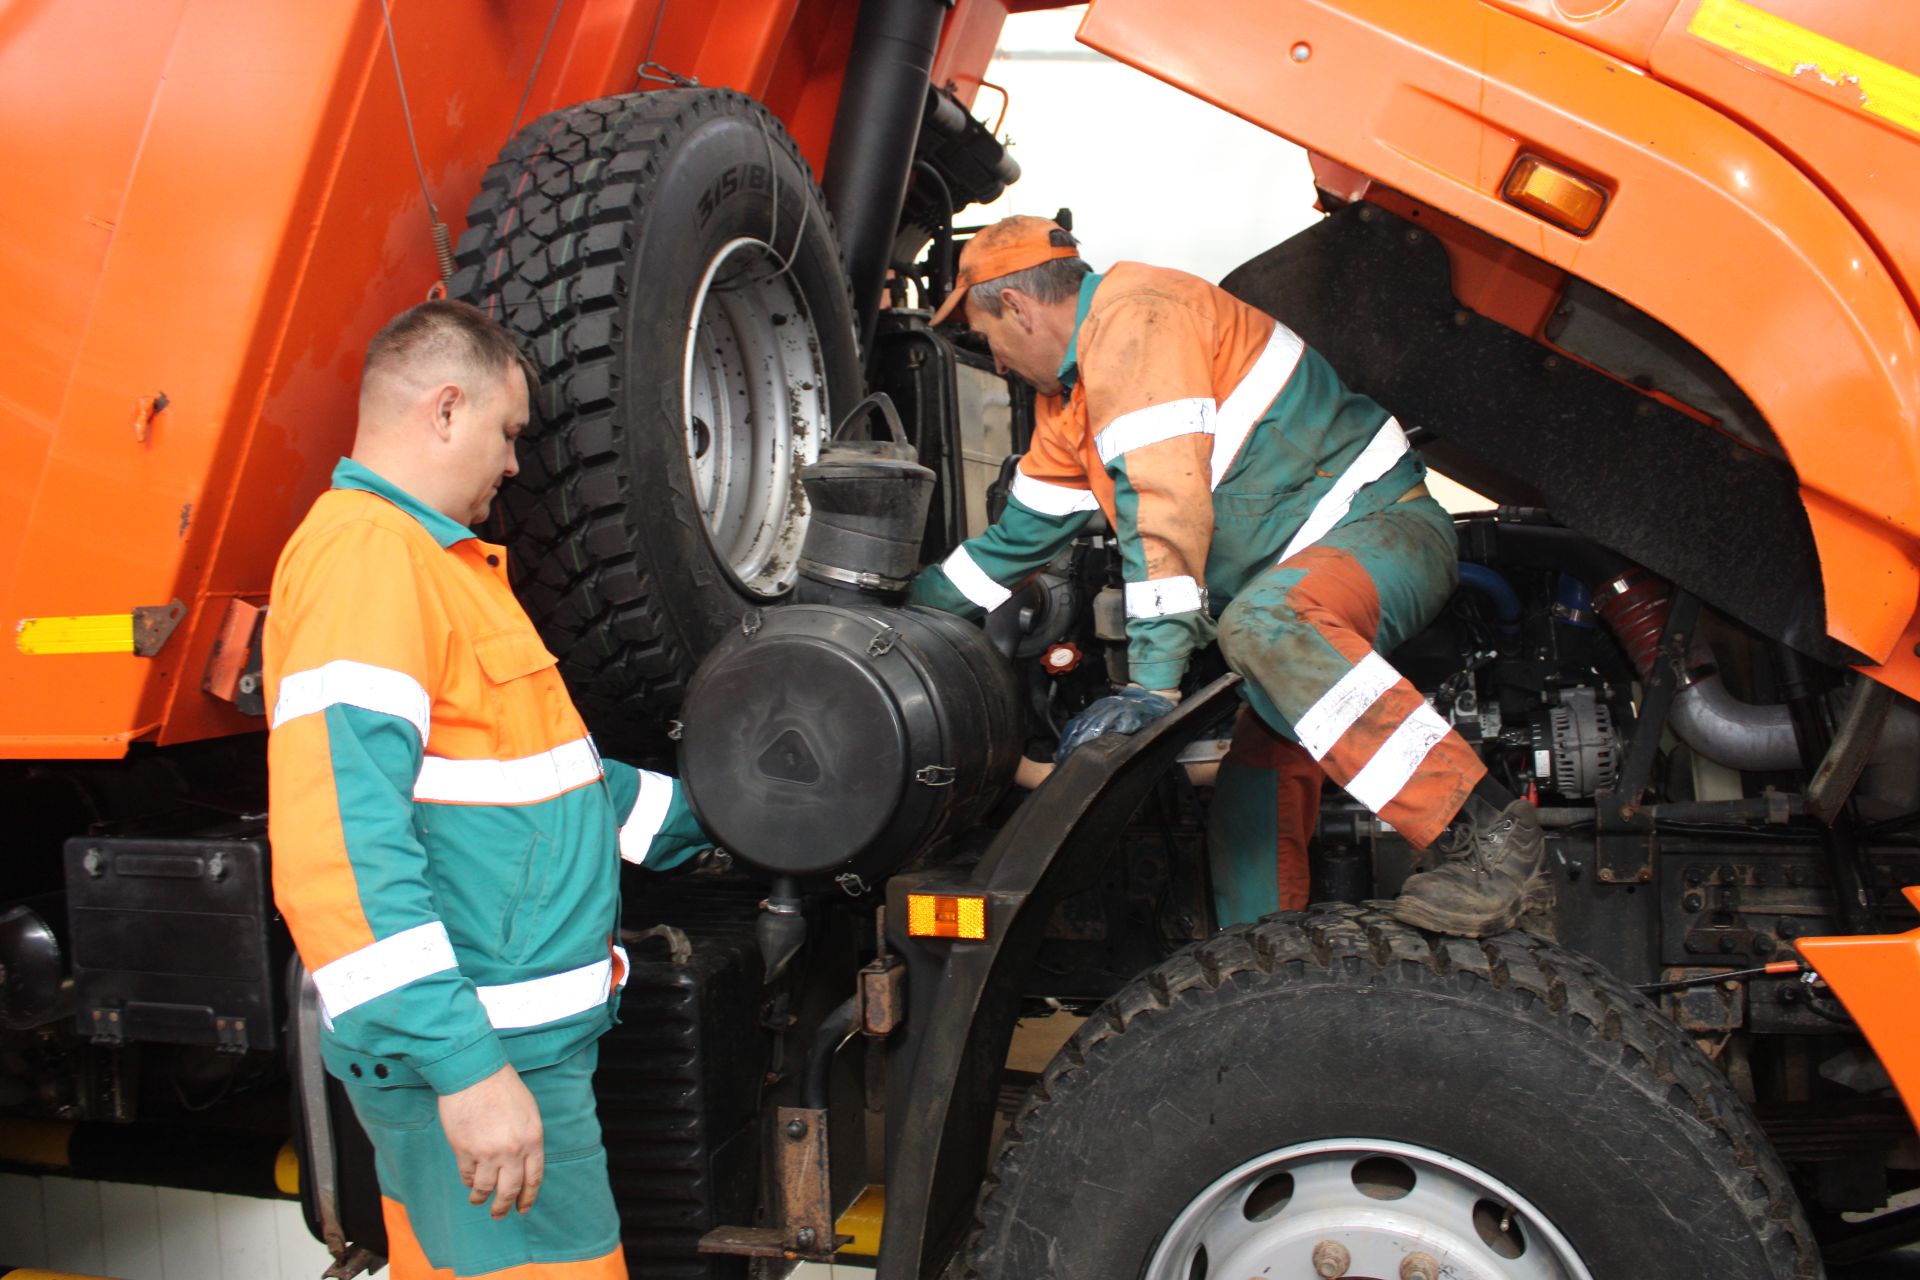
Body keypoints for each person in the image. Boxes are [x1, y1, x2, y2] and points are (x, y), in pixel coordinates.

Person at [910, 216, 1545, 938]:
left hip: (1379, 532)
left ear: (1017, 307)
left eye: (986, 335)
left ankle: (1486, 834)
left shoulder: (1137, 318)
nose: (994, 361)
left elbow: (1164, 508)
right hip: (1295, 590)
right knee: (1248, 809)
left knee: (1264, 623)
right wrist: (906, 609)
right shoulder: (1071, 404)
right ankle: (1263, 975)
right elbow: (1009, 546)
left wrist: (1151, 686)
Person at [264, 300, 710, 1279]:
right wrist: (467, 1070)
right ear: (445, 408)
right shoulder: (367, 562)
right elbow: (340, 849)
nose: (514, 464)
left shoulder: (438, 567)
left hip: (510, 1052)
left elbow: (534, 781)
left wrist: (711, 819)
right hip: (480, 1059)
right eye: (509, 434)